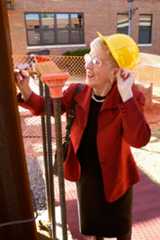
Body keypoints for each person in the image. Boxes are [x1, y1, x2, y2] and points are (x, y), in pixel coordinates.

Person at [15, 32, 151, 240]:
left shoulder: (129, 97)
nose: (87, 64)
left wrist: (126, 95)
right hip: (86, 176)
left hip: (117, 177)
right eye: (88, 56)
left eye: (96, 61)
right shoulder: (78, 91)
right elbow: (47, 107)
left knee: (121, 229)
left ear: (115, 71)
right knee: (94, 228)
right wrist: (25, 90)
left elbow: (138, 139)